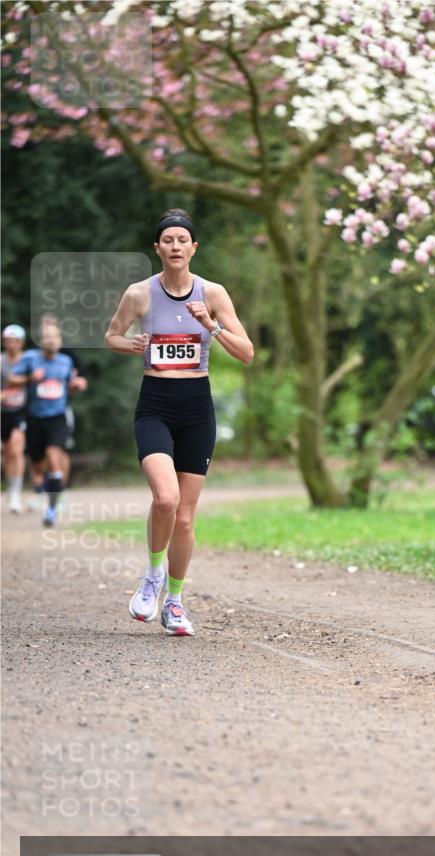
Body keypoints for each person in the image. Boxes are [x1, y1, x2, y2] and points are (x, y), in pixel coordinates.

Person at [104, 208, 253, 637]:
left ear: (193, 248)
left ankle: (174, 601)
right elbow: (111, 335)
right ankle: (152, 578)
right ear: (157, 248)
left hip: (197, 409)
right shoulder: (139, 294)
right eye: (166, 240)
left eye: (181, 240)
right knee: (165, 499)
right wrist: (130, 345)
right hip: (155, 405)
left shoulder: (214, 293)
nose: (174, 246)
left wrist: (212, 326)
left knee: (185, 518)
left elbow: (247, 353)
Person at [8, 314, 87, 527]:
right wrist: (29, 378)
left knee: (54, 456)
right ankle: (47, 492)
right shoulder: (30, 359)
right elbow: (12, 380)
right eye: (46, 337)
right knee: (38, 464)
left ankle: (52, 507)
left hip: (57, 417)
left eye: (54, 337)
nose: (50, 340)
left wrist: (77, 386)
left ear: (60, 339)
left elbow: (73, 383)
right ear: (41, 340)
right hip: (34, 418)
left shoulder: (66, 360)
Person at [1, 324, 28, 513]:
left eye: (14, 340)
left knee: (17, 450)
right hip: (2, 412)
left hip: (21, 411)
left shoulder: (29, 361)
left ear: (21, 342)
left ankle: (16, 495)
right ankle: (11, 487)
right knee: (7, 453)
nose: (10, 344)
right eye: (7, 340)